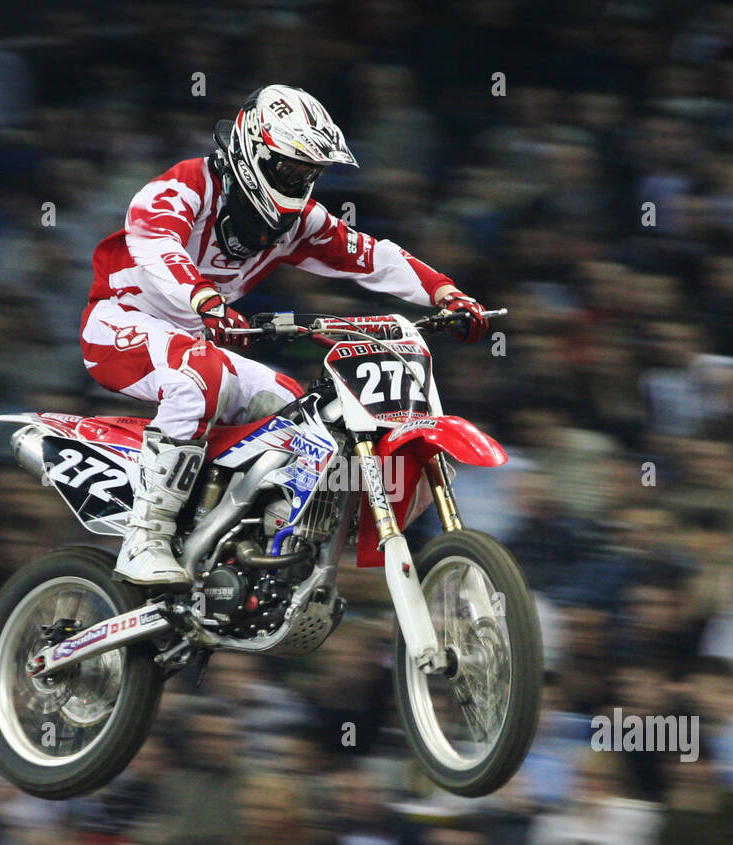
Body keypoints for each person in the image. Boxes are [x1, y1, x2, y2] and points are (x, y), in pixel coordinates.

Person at [80, 84, 489, 587]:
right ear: (253, 151)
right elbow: (155, 242)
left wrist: (446, 292)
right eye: (291, 168)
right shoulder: (186, 185)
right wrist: (206, 300)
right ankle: (146, 538)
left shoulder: (298, 223)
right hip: (122, 322)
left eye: (310, 172)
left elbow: (370, 255)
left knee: (297, 410)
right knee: (194, 380)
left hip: (200, 337)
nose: (301, 181)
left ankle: (244, 540)